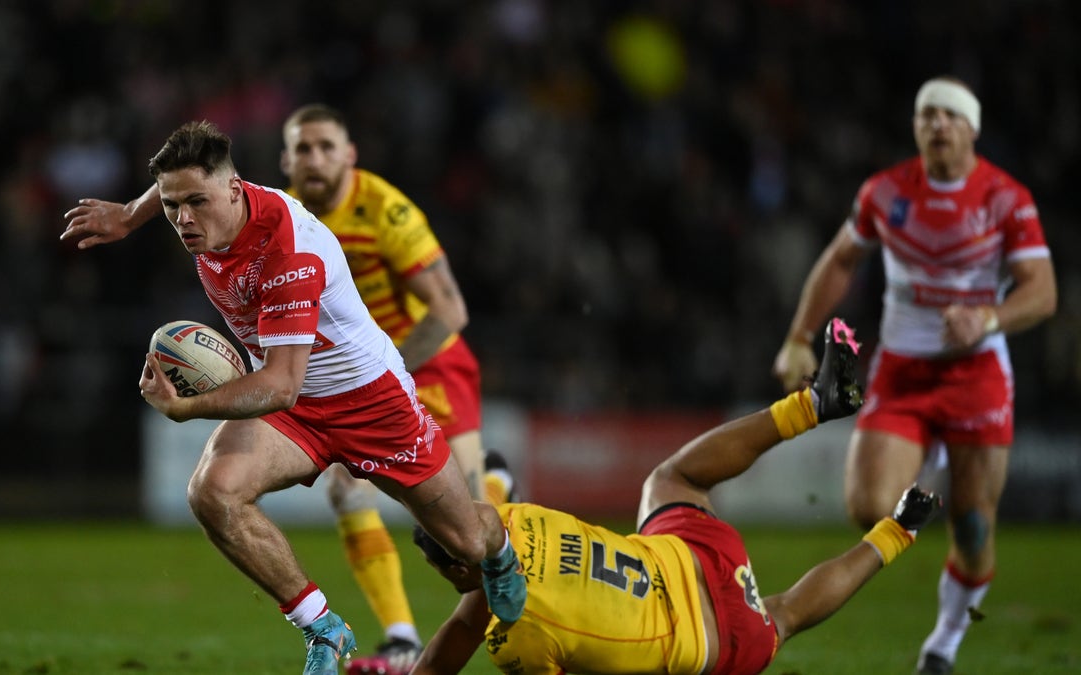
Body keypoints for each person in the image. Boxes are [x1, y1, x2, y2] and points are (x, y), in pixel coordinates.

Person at [62, 120, 527, 675]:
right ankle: (323, 629)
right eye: (171, 206)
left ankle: (502, 556)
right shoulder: (208, 207)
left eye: (194, 204)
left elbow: (280, 385)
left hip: (370, 403)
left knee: (467, 542)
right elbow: (181, 189)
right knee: (213, 493)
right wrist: (130, 214)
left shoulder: (289, 254)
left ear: (234, 193)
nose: (183, 219)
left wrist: (185, 409)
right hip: (298, 410)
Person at [408, 318, 942, 675]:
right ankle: (811, 405)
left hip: (712, 642)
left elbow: (468, 622)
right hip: (690, 555)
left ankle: (899, 529)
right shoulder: (512, 516)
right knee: (671, 479)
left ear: (457, 573)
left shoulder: (515, 640)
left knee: (784, 616)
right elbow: (466, 605)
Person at [771, 76, 1057, 675]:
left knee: (975, 528)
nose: (938, 124)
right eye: (927, 114)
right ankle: (929, 461)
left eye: (950, 115)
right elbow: (839, 259)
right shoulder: (885, 192)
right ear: (916, 127)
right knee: (870, 505)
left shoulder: (1006, 198)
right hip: (903, 372)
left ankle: (944, 644)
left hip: (976, 374)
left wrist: (989, 317)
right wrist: (799, 336)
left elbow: (1044, 292)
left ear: (972, 129)